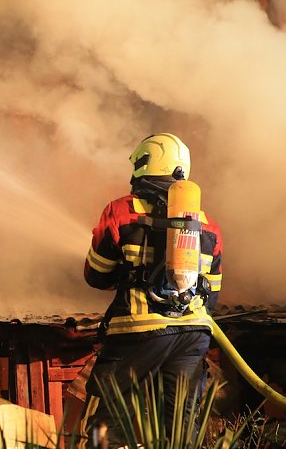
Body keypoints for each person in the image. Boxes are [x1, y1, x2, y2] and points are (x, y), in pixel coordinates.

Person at [79, 133, 223, 447]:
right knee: (181, 431)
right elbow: (212, 293)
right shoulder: (207, 224)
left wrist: (128, 273)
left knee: (108, 424)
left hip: (138, 332)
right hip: (193, 336)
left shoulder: (120, 211)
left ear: (144, 163)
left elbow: (96, 275)